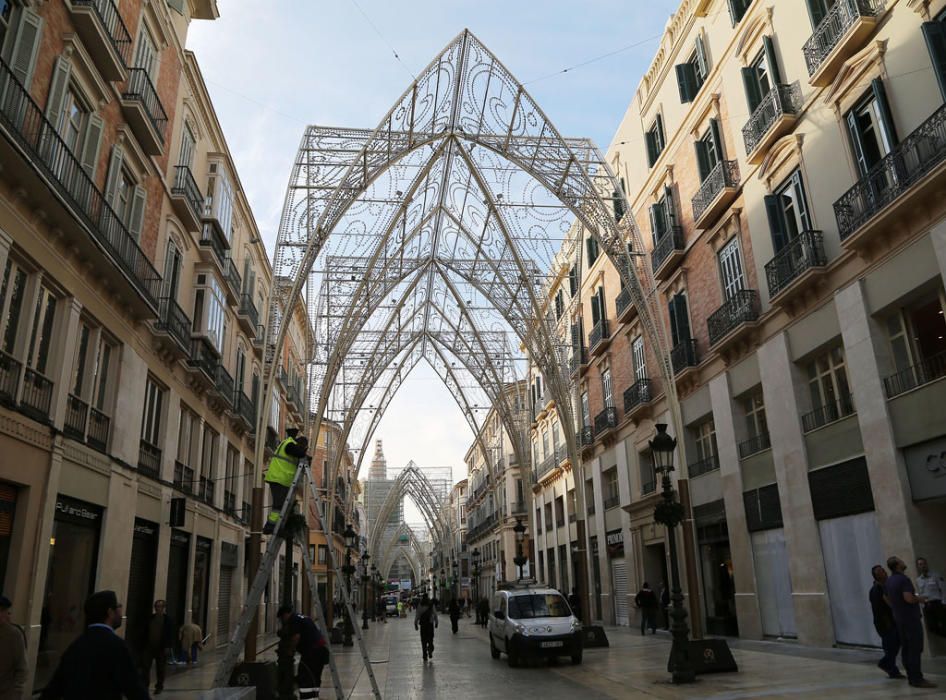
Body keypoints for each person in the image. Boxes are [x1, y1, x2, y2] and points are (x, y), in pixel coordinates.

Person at [40, 590, 149, 699]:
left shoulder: (76, 645)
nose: (120, 612)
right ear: (110, 612)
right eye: (117, 608)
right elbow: (134, 688)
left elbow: (54, 688)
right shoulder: (117, 646)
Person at [885, 556, 937, 688]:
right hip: (910, 619)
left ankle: (911, 677)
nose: (903, 562)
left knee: (906, 649)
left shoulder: (889, 581)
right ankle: (917, 679)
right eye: (901, 561)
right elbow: (908, 598)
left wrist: (897, 608)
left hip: (899, 619)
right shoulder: (903, 579)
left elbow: (886, 598)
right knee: (914, 649)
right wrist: (921, 599)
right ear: (898, 565)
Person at [263, 428, 308, 535]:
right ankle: (270, 526)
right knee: (278, 505)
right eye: (303, 445)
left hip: (281, 479)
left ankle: (277, 526)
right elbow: (297, 452)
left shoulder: (287, 443)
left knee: (283, 505)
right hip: (279, 478)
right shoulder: (289, 444)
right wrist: (304, 454)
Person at [277, 606, 329, 700]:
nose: (283, 622)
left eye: (282, 619)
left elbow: (296, 637)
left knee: (305, 676)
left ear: (285, 615)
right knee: (315, 676)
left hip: (311, 652)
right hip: (320, 650)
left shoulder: (293, 619)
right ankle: (314, 697)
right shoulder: (302, 617)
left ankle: (306, 698)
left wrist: (290, 651)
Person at [869, 565, 902, 679]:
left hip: (891, 622)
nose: (883, 572)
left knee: (894, 645)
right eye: (880, 571)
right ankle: (888, 667)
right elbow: (881, 609)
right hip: (886, 624)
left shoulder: (885, 587)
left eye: (883, 570)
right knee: (890, 646)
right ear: (876, 576)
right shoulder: (876, 590)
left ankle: (890, 667)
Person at [139, 600, 174, 695]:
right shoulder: (150, 618)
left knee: (160, 668)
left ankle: (159, 686)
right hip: (149, 647)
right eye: (156, 606)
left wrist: (168, 646)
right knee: (145, 667)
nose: (157, 608)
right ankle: (144, 685)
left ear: (163, 608)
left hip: (161, 648)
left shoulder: (167, 620)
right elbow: (145, 631)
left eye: (159, 606)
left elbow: (170, 634)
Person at [0, 595, 27, 700]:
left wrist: (15, 693)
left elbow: (22, 667)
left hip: (5, 693)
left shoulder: (13, 635)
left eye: (4, 611)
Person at [916, 557, 946, 638]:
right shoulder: (918, 580)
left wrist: (944, 602)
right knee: (932, 628)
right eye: (920, 564)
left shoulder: (935, 576)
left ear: (927, 564)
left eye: (924, 563)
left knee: (943, 625)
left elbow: (943, 589)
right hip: (927, 605)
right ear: (918, 567)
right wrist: (922, 605)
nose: (923, 566)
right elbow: (919, 593)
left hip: (937, 603)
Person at [414, 594, 438, 661]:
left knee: (423, 640)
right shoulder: (431, 604)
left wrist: (415, 623)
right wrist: (436, 622)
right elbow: (435, 614)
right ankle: (430, 649)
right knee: (430, 639)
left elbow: (417, 615)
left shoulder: (420, 604)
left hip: (423, 625)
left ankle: (424, 655)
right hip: (430, 624)